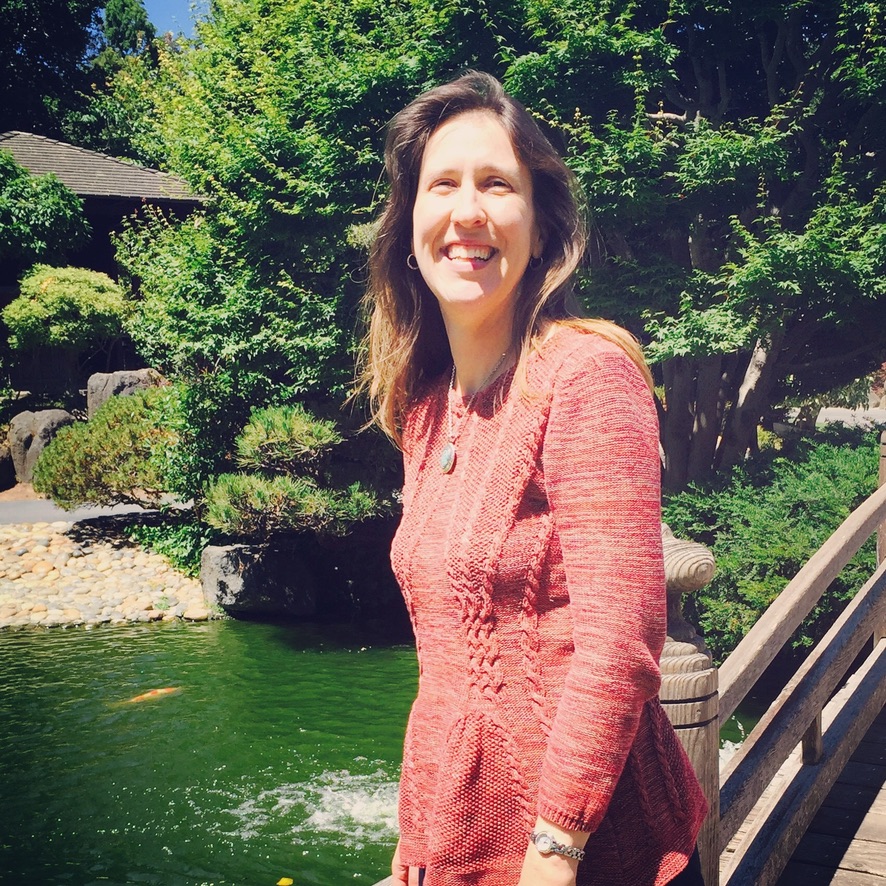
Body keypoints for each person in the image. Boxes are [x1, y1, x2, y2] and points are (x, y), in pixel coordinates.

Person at [360, 71, 708, 886]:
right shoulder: (426, 406)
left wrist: (556, 848)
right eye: (442, 184)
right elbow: (445, 677)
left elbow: (621, 645)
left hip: (596, 857)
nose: (467, 212)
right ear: (409, 226)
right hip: (459, 849)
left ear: (542, 227)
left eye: (496, 184)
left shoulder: (585, 374)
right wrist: (413, 852)